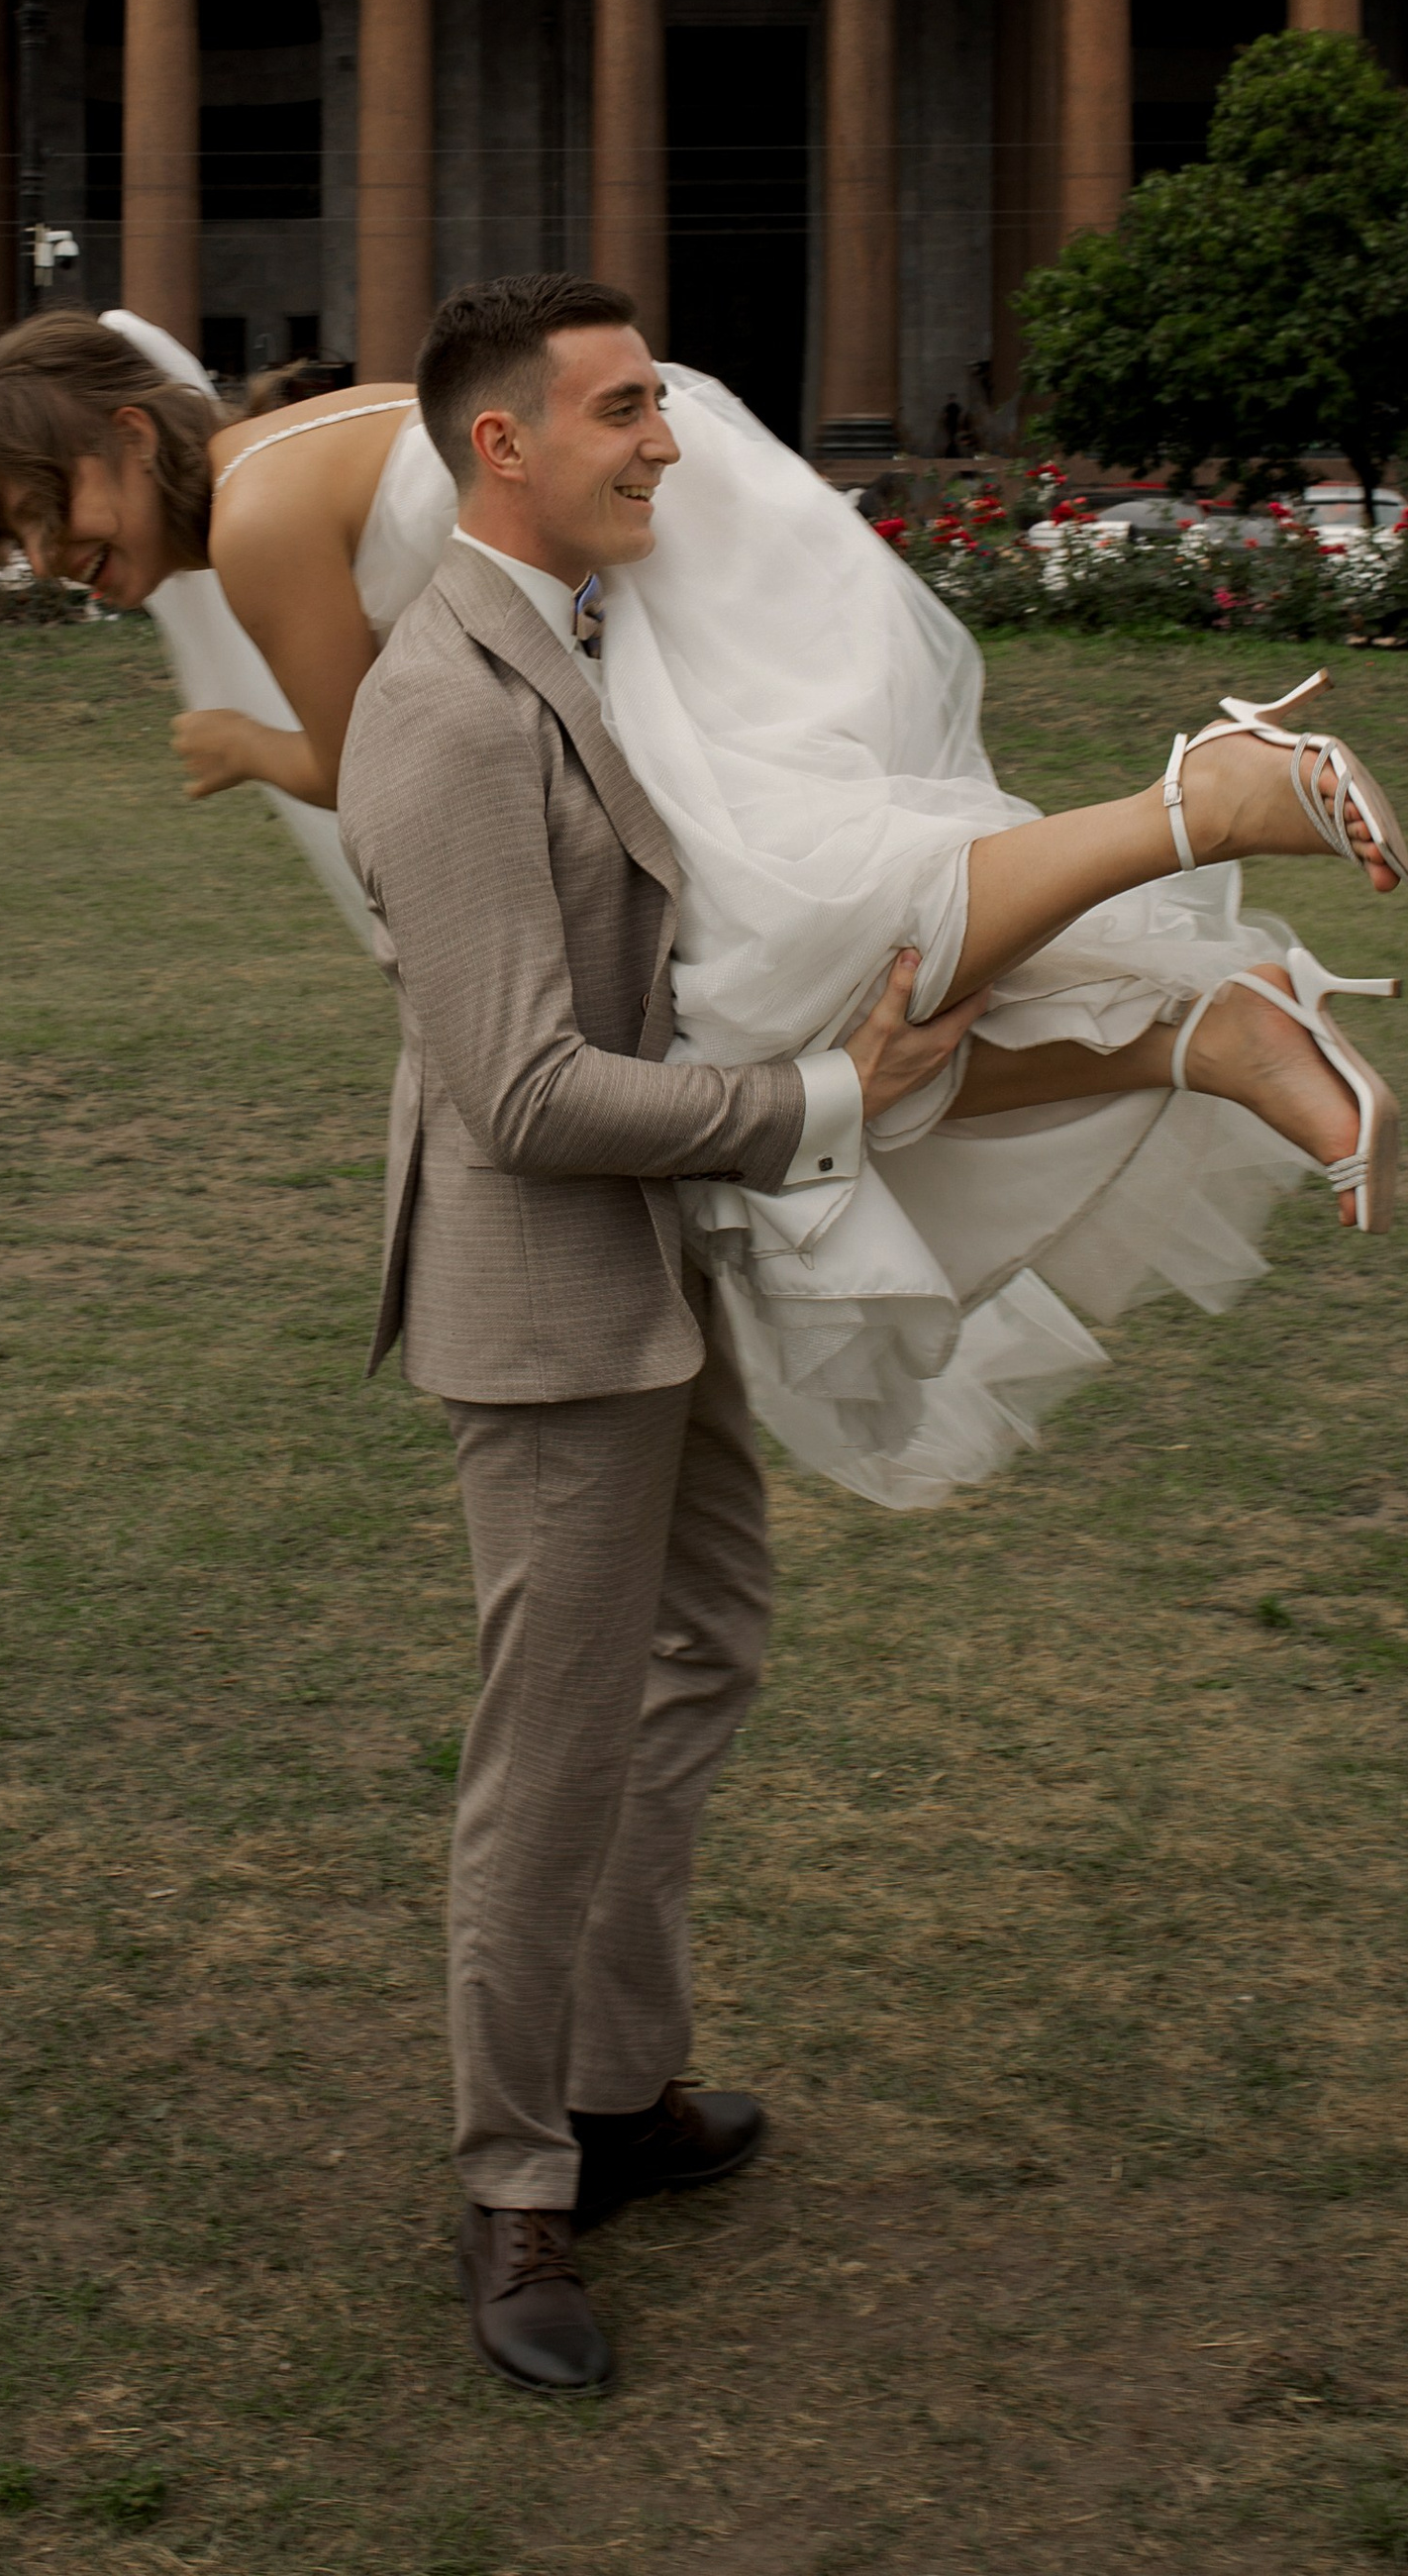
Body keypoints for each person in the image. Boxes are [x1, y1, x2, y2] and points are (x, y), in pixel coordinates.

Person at [0, 288, 1408, 1507]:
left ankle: (1200, 809)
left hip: (652, 598)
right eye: (16, 542)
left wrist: (246, 746)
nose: (49, 559)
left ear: (129, 432)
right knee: (785, 1008)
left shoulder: (250, 519)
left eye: (47, 508)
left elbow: (379, 769)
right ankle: (1203, 1033)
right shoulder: (290, 439)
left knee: (774, 980)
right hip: (688, 562)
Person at [332, 299, 989, 2390]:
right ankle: (515, 2186)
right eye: (624, 411)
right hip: (544, 1308)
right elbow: (523, 1093)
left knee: (701, 1647)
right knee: (547, 1756)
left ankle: (615, 2088)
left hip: (650, 1272)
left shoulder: (596, 644)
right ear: (501, 445)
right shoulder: (440, 708)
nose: (665, 446)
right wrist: (826, 1100)